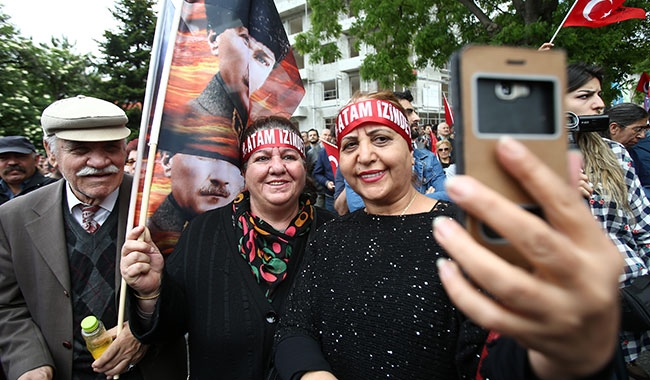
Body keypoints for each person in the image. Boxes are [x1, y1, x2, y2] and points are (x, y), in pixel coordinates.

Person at [273, 90, 622, 380]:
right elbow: (293, 328)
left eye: (381, 139)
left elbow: (495, 355)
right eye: (350, 145)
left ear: (412, 152)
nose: (366, 156)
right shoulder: (330, 238)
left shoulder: (464, 232)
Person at [120, 116, 336, 379]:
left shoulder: (335, 233)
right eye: (262, 158)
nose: (277, 167)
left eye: (289, 157)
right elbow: (170, 327)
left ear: (304, 166)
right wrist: (151, 293)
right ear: (243, 172)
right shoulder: (202, 232)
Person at [0, 95, 186, 380]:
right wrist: (30, 362)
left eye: (111, 147)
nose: (99, 162)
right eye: (80, 150)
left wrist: (143, 332)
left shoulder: (162, 205)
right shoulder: (13, 218)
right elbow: (8, 305)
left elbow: (192, 292)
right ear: (51, 154)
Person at [566, 63, 650, 378]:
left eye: (599, 95)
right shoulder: (525, 161)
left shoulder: (615, 154)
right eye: (585, 95)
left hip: (634, 306)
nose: (600, 104)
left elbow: (644, 227)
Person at [188, 0, 290, 138]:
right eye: (245, 41)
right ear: (214, 40)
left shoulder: (259, 131)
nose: (251, 65)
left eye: (262, 60)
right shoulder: (187, 120)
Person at [147, 113, 245, 255]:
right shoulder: (145, 236)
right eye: (204, 158)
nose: (220, 177)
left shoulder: (251, 240)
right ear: (167, 161)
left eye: (233, 163)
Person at [0, 136, 58, 206]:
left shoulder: (55, 189)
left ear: (36, 160)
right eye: (4, 158)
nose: (12, 162)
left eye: (20, 157)